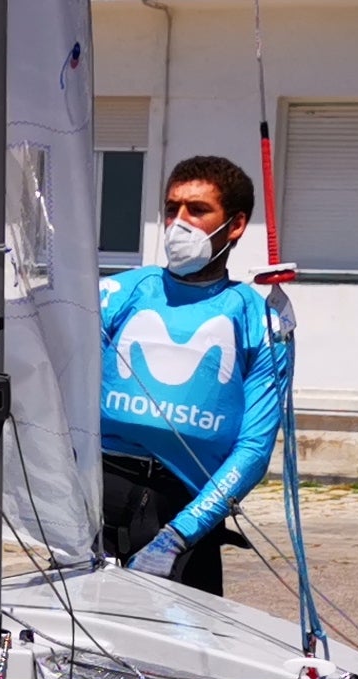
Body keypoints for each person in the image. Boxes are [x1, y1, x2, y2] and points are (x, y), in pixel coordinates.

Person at [97, 155, 292, 595]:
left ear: (236, 225)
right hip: (99, 497)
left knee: (184, 660)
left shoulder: (262, 320)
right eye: (171, 209)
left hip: (185, 512)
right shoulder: (116, 293)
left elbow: (254, 448)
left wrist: (178, 535)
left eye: (197, 210)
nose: (178, 224)